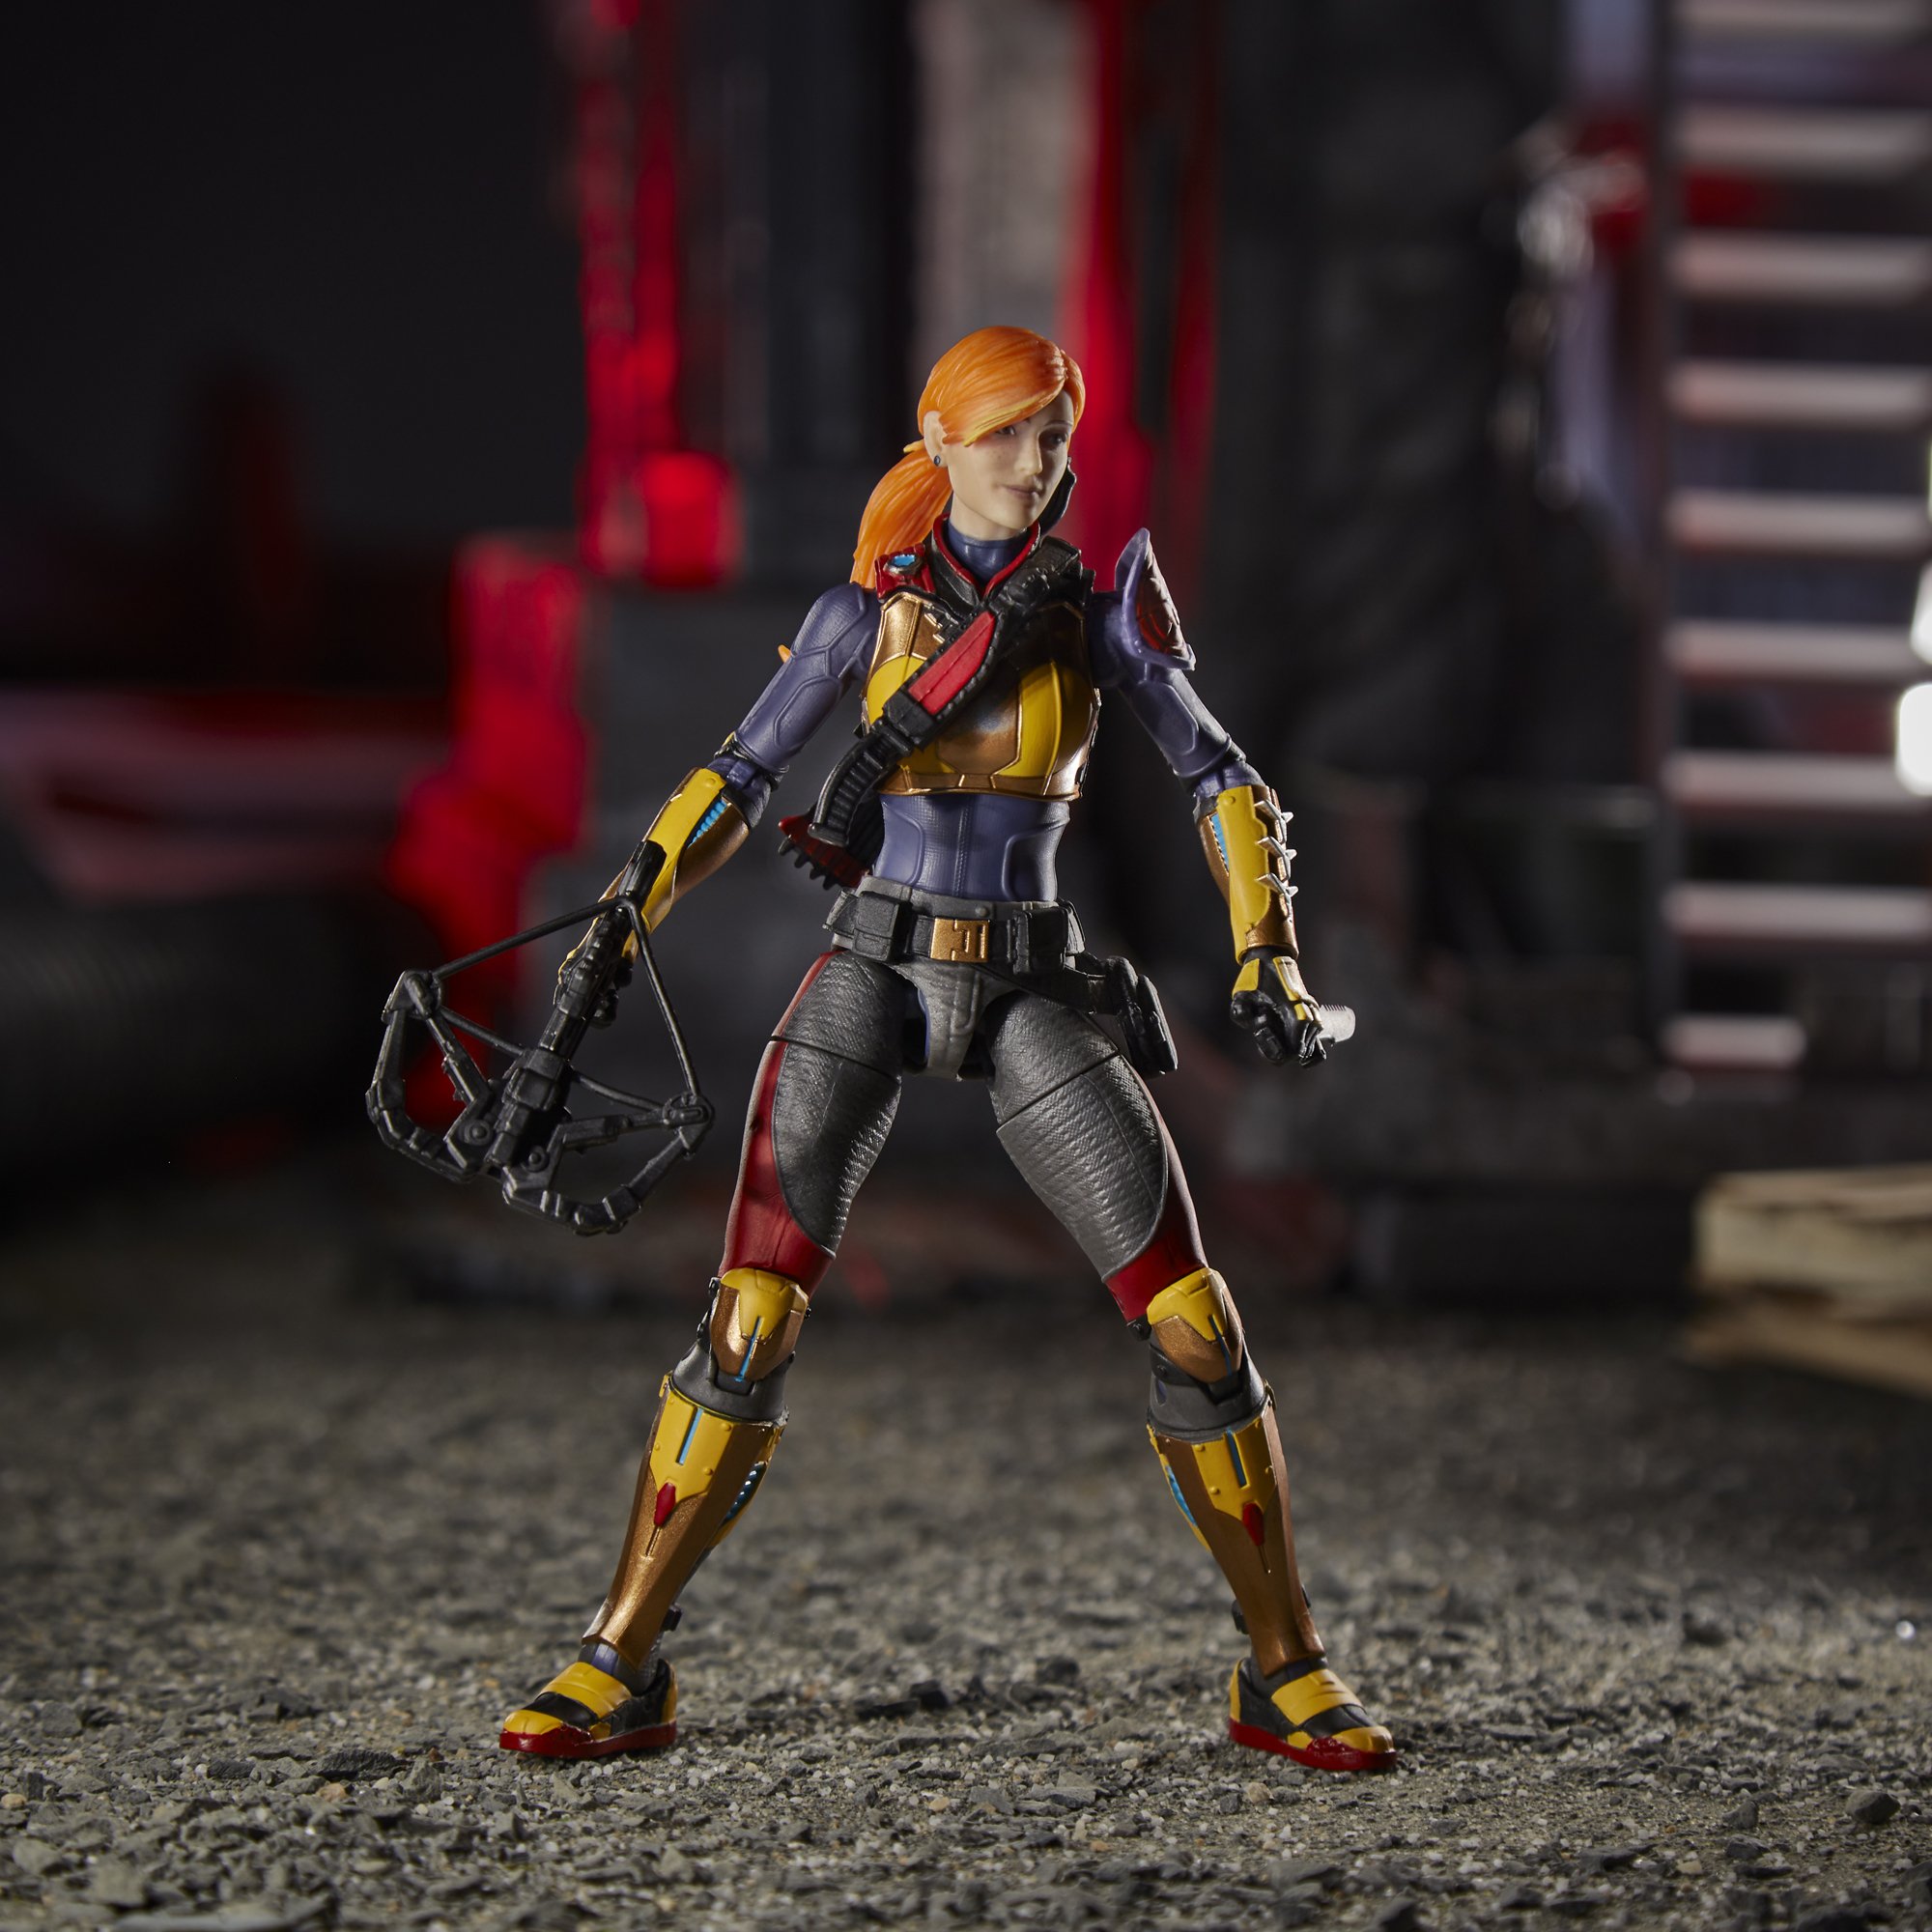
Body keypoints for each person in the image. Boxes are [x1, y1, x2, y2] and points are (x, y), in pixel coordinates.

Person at [497, 326, 1396, 1773]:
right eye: (1006, 432)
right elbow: (741, 772)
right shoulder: (863, 617)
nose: (1034, 461)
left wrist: (1266, 949)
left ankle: (1285, 1667)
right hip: (878, 963)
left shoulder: (1099, 612)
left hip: (1031, 978)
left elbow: (1221, 774)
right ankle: (618, 1657)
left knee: (1195, 1323)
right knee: (748, 1319)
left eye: (1054, 434)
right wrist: (627, 908)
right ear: (941, 441)